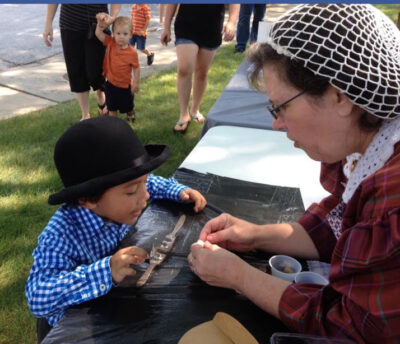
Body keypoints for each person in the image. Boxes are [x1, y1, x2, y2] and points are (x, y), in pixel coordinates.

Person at [188, 4, 400, 343]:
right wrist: (255, 234)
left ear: (339, 95)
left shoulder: (393, 194)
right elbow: (338, 225)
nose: (276, 123)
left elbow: (355, 325)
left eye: (282, 106)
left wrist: (239, 276)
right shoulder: (372, 147)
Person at [25, 116, 207, 342]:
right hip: (75, 326)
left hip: (115, 304)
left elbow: (149, 183)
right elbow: (38, 297)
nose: (145, 195)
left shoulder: (122, 194)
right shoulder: (60, 235)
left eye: (143, 182)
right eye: (132, 191)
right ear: (87, 199)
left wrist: (177, 191)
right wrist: (106, 270)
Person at [161, 4, 239, 133]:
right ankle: (183, 114)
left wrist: (231, 22)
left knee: (202, 73)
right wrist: (166, 27)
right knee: (184, 69)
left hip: (212, 27)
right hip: (186, 24)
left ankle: (195, 109)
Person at [43, 4, 121, 120]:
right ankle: (85, 115)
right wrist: (48, 22)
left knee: (97, 71)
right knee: (76, 71)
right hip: (69, 24)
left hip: (98, 25)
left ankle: (100, 94)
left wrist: (113, 17)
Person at [95, 15, 139, 122]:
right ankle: (114, 126)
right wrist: (101, 22)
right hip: (110, 84)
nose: (121, 36)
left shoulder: (132, 52)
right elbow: (98, 34)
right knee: (112, 108)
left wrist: (136, 82)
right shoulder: (111, 42)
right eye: (118, 33)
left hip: (125, 87)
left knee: (127, 107)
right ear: (113, 33)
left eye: (125, 34)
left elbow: (136, 68)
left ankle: (130, 112)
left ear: (130, 35)